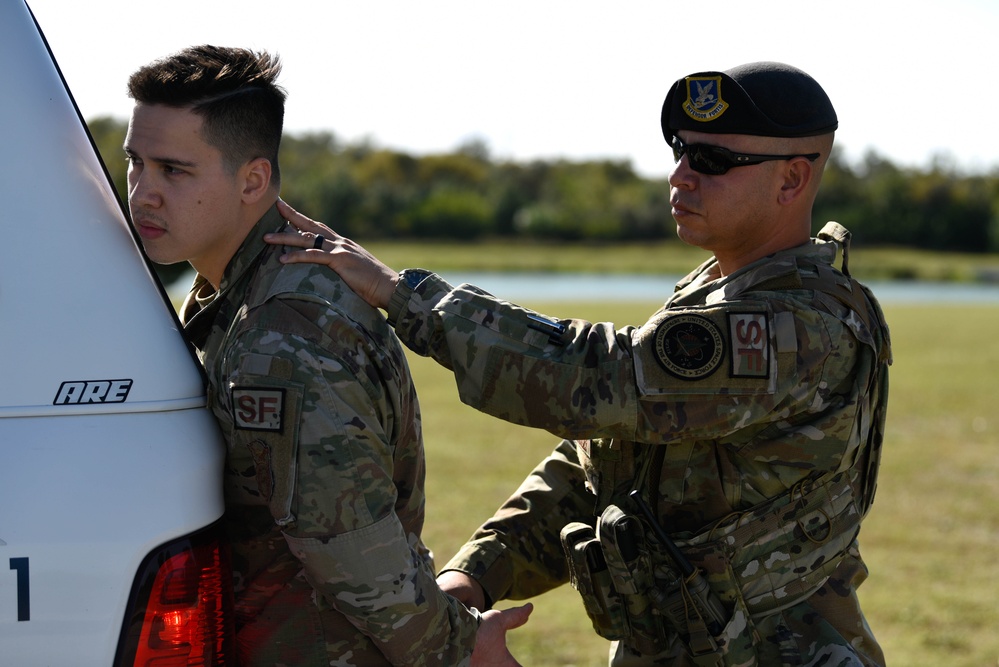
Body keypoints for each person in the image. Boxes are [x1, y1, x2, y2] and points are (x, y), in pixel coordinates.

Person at [268, 61, 892, 666]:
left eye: (713, 161)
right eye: (680, 150)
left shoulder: (802, 323)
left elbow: (598, 378)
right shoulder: (715, 293)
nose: (679, 176)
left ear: (791, 181)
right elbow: (601, 463)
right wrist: (475, 577)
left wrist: (405, 296)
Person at [123, 45, 531, 666]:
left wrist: (462, 651)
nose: (144, 192)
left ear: (252, 181)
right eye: (135, 163)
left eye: (173, 171)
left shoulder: (284, 331)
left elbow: (357, 556)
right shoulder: (240, 290)